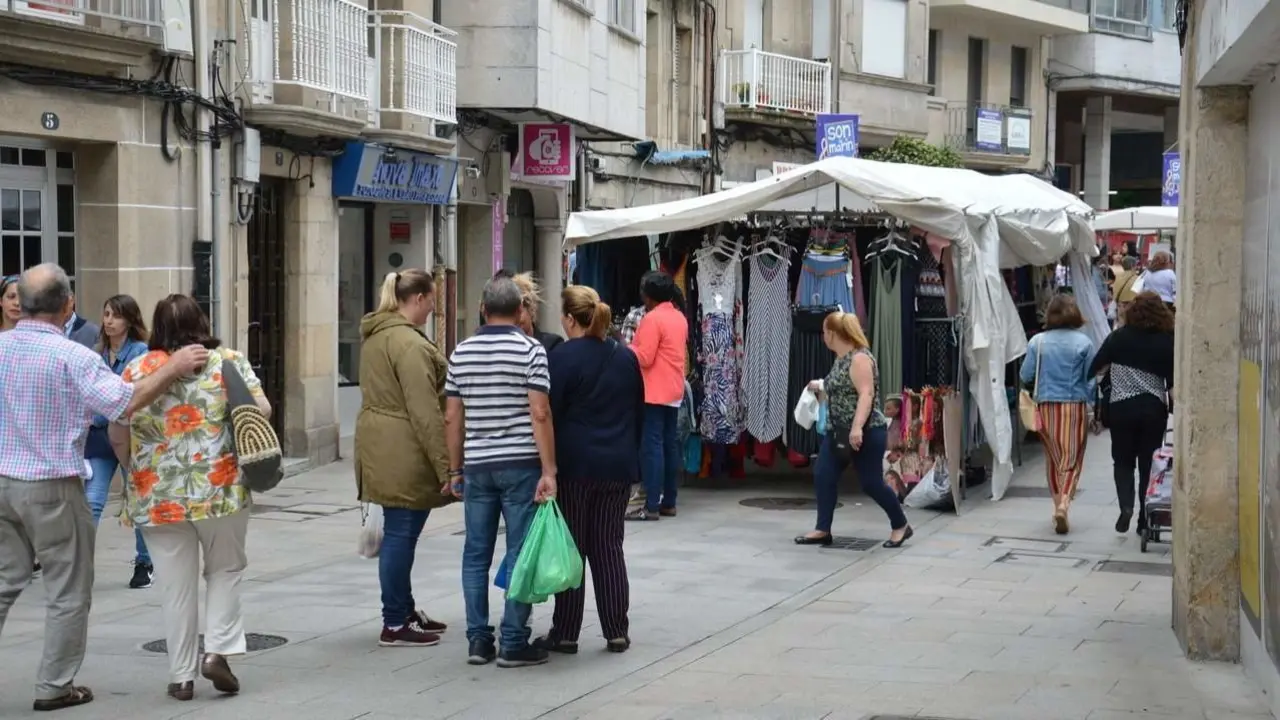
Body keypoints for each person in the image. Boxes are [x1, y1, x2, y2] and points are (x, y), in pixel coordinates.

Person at [0, 264, 209, 712]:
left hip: (2, 480)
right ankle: (54, 685)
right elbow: (123, 401)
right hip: (50, 484)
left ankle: (55, 682)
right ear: (67, 306)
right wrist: (172, 367)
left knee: (4, 580)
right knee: (68, 588)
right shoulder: (73, 356)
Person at [111, 294, 269, 702]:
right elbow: (261, 411)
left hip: (156, 494)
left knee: (174, 586)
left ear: (157, 327)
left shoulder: (137, 368)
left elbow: (117, 429)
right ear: (201, 321)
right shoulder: (227, 360)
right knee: (225, 570)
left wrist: (134, 469)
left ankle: (181, 676)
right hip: (221, 490)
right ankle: (216, 651)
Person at [446, 275, 558, 668]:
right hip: (521, 464)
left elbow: (452, 417)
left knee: (475, 554)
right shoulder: (531, 350)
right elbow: (539, 412)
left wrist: (455, 469)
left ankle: (478, 640)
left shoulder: (460, 352)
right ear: (519, 310)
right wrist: (550, 470)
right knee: (520, 552)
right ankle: (513, 640)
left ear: (482, 308)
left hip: (478, 464)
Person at [535, 285, 643, 655]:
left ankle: (566, 632)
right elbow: (637, 410)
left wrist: (547, 465)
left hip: (576, 465)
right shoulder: (625, 356)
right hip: (617, 465)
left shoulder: (561, 358)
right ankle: (616, 629)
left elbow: (549, 412)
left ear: (569, 318)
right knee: (609, 546)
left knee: (574, 547)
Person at [354, 270, 454, 648]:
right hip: (402, 446)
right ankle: (394, 621)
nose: (433, 308)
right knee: (401, 533)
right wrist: (446, 466)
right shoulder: (407, 344)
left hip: (381, 442)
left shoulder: (379, 335)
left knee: (403, 532)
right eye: (432, 300)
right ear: (418, 298)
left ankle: (404, 609)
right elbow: (424, 409)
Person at [796, 311, 912, 548]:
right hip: (837, 431)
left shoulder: (860, 359)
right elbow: (839, 388)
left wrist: (857, 427)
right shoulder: (841, 359)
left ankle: (900, 525)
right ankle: (822, 528)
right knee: (823, 475)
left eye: (824, 332)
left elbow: (866, 394)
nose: (823, 337)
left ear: (833, 333)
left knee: (871, 483)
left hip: (865, 432)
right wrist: (819, 386)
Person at [84, 294, 154, 589]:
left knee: (136, 499)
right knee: (92, 501)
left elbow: (132, 397)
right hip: (101, 440)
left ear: (130, 319)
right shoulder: (96, 353)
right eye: (106, 314)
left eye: (115, 315)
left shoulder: (140, 352)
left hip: (130, 437)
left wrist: (101, 414)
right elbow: (90, 394)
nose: (109, 321)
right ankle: (80, 564)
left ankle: (144, 561)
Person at [1089, 292, 1174, 535]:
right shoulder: (1167, 341)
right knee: (1148, 463)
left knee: (1123, 461)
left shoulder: (1119, 338)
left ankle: (1126, 507)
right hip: (1153, 409)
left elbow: (1095, 367)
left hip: (1121, 408)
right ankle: (1145, 519)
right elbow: (1173, 383)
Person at [1019, 294, 1097, 535]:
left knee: (1053, 458)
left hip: (1045, 407)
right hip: (1073, 406)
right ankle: (1063, 503)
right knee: (1071, 458)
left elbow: (1025, 374)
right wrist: (1093, 406)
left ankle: (1057, 506)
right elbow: (1090, 379)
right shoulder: (1084, 343)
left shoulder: (1037, 342)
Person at [625, 271, 689, 521]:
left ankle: (651, 504)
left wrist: (624, 348)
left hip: (653, 389)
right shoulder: (679, 317)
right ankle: (669, 501)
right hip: (674, 387)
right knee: (669, 444)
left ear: (648, 295)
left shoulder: (652, 319)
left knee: (651, 447)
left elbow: (644, 356)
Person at [512, 271, 564, 352]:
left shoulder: (551, 344)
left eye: (519, 311)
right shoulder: (503, 348)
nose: (515, 319)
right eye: (510, 314)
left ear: (531, 309)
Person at [1112, 257, 1141, 326]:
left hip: (1119, 306)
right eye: (1135, 265)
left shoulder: (1118, 277)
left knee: (1121, 325)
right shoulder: (1137, 278)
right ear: (1132, 266)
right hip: (1132, 306)